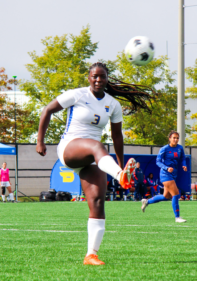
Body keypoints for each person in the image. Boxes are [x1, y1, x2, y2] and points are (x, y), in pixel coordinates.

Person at [35, 62, 154, 265]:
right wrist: (40, 140)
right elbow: (47, 110)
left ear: (107, 79)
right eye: (94, 76)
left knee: (98, 203)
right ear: (89, 78)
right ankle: (120, 176)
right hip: (69, 148)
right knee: (97, 146)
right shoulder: (77, 94)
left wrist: (121, 164)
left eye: (102, 76)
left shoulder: (113, 104)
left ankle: (91, 254)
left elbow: (117, 136)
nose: (98, 80)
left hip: (92, 159)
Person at [141, 131, 188, 223]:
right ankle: (177, 217)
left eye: (177, 138)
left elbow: (182, 158)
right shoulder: (164, 149)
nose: (176, 139)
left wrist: (184, 165)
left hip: (174, 174)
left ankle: (147, 202)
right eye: (174, 138)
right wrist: (166, 168)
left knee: (166, 196)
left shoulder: (180, 148)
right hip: (165, 174)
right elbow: (158, 162)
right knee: (176, 194)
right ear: (169, 138)